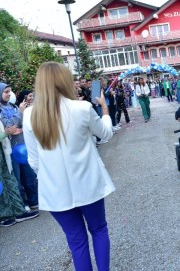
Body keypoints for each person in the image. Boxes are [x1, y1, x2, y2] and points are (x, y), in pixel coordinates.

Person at [23, 62, 114, 270]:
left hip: (55, 190)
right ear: (63, 80)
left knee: (76, 241)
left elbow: (34, 161)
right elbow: (106, 134)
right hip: (88, 184)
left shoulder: (29, 115)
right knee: (99, 230)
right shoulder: (82, 108)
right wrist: (105, 107)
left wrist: (51, 177)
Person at [0, 84, 39, 210]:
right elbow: (9, 126)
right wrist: (20, 114)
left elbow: (22, 124)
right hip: (10, 149)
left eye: (10, 92)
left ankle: (34, 200)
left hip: (23, 146)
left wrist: (20, 124)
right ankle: (23, 204)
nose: (9, 94)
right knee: (17, 178)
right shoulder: (1, 110)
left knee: (29, 175)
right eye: (6, 92)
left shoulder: (13, 106)